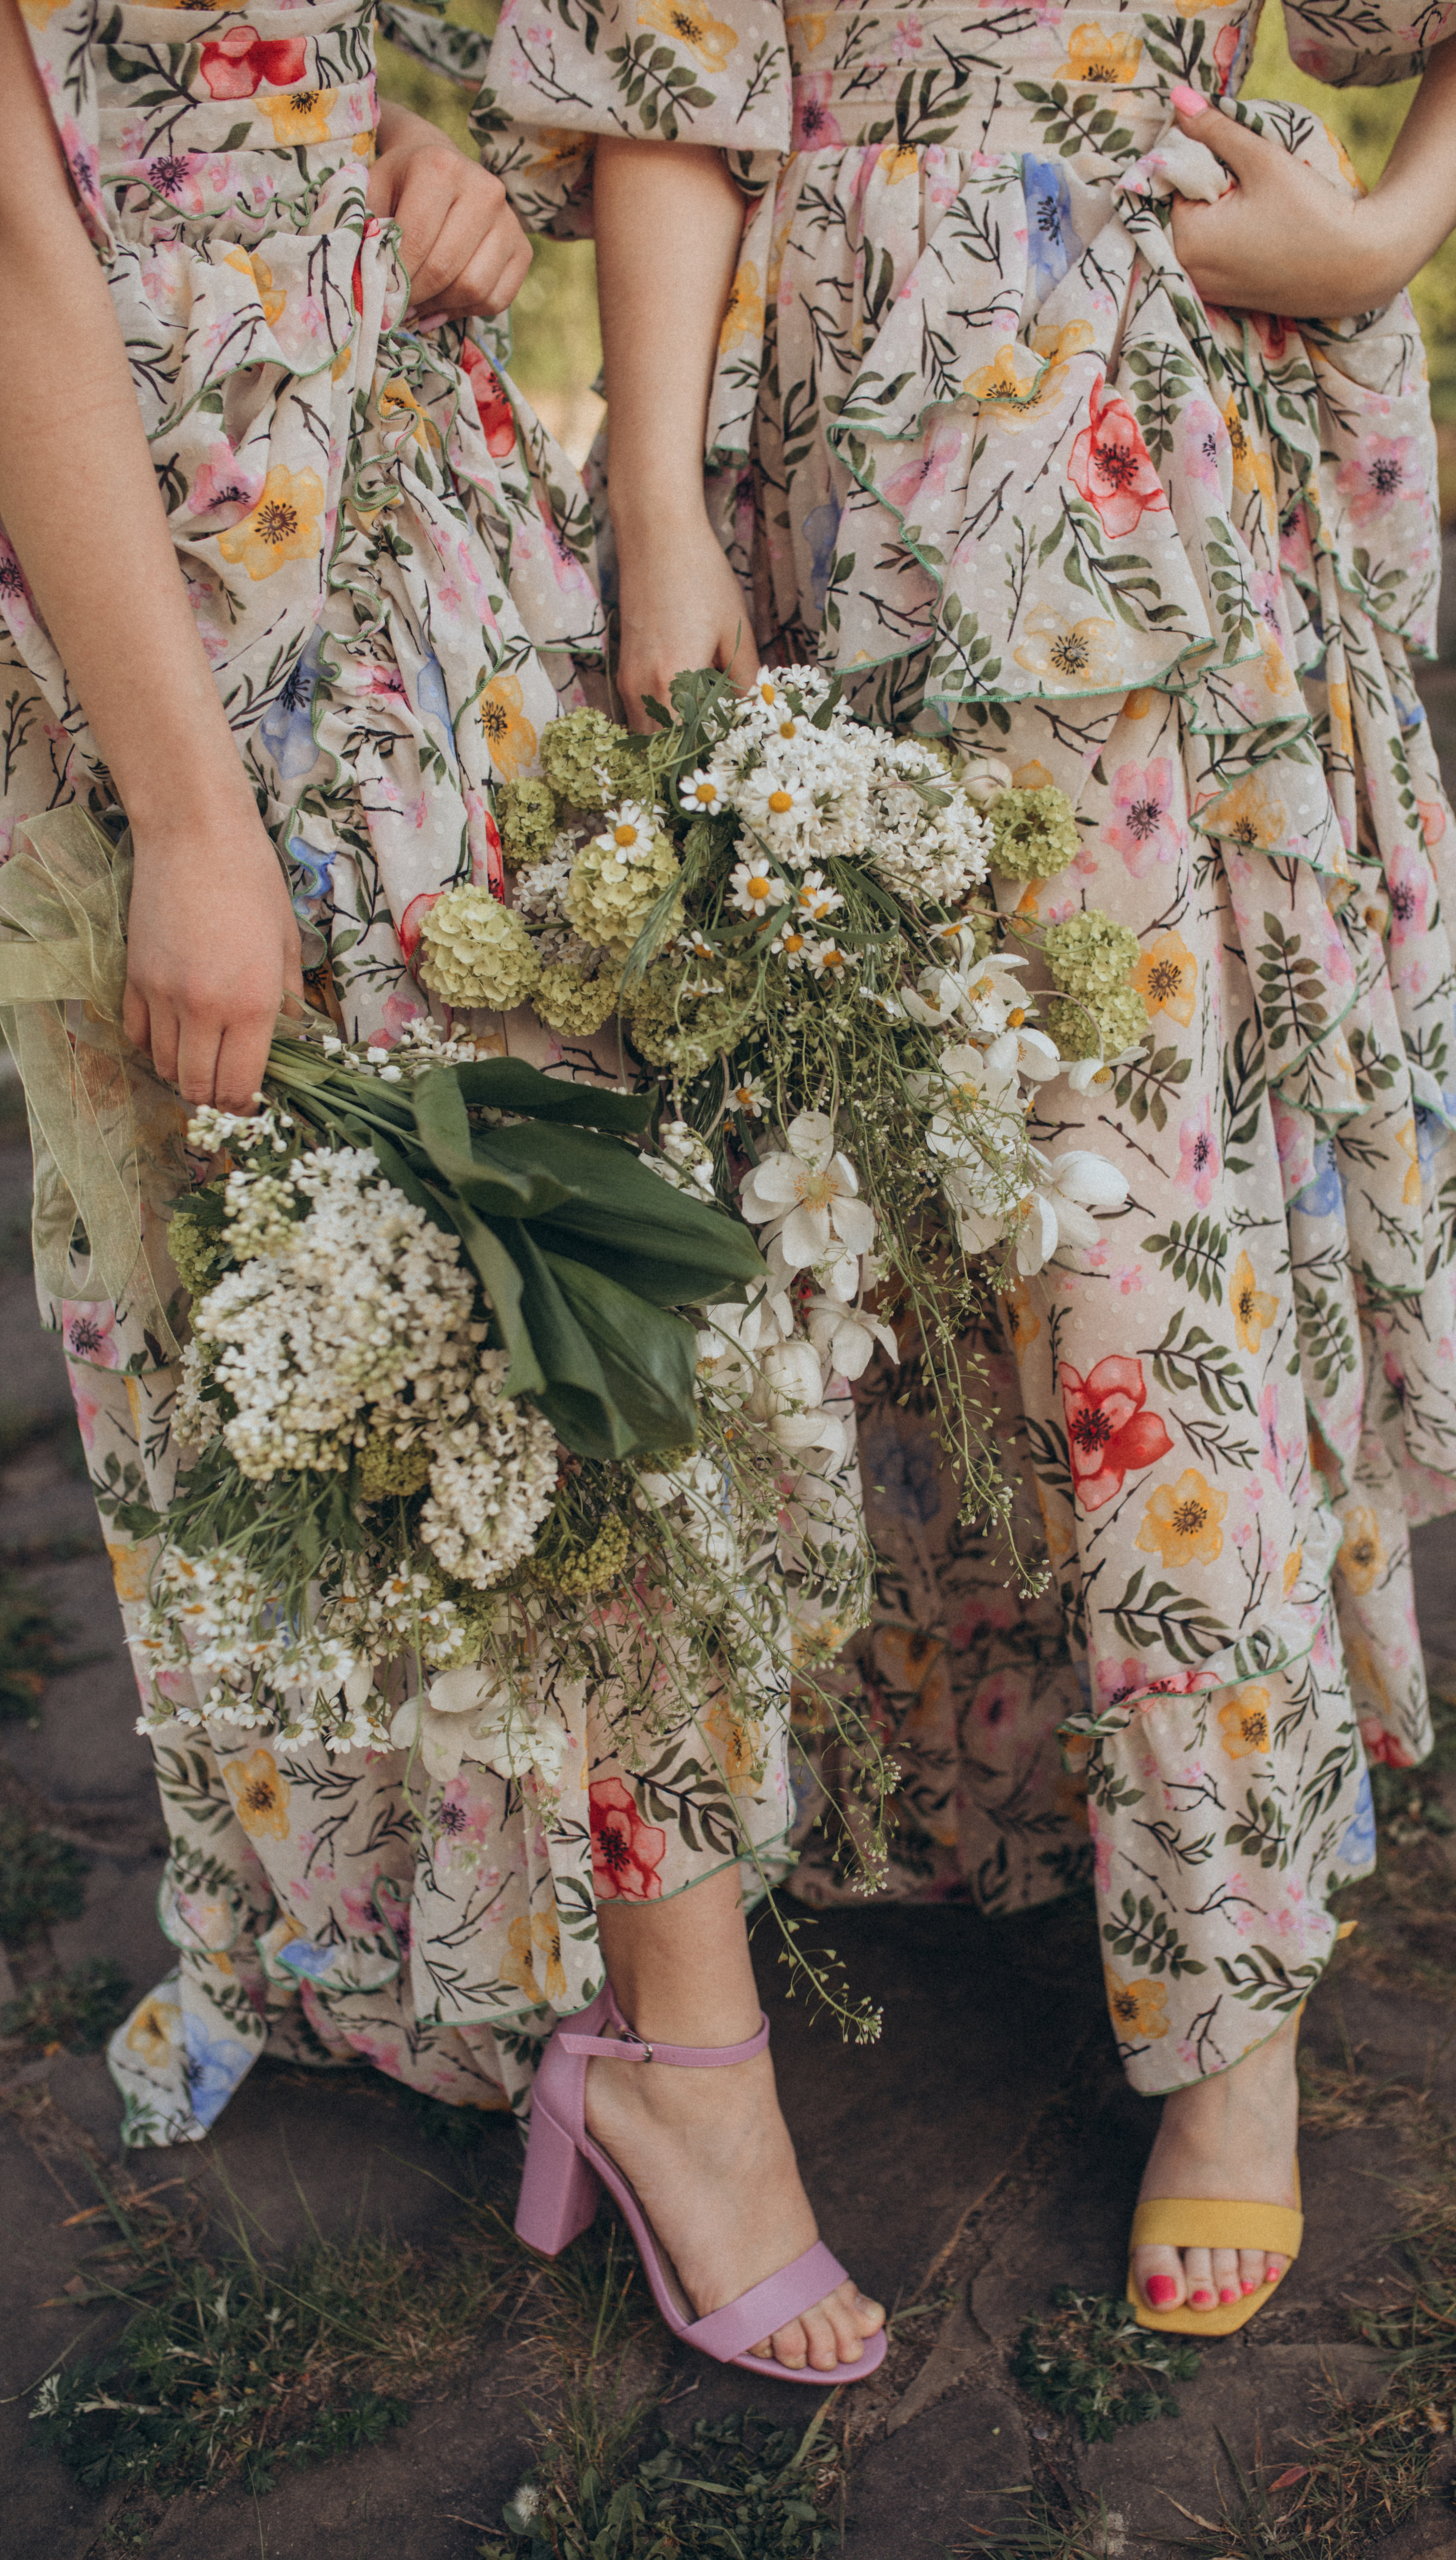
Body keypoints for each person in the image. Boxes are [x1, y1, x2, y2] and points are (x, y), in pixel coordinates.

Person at [467, 0, 1456, 2332]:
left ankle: (1240, 2027)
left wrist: (1391, 232)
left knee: (1140, 1234)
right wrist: (649, 500)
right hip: (801, 428)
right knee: (836, 1195)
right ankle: (988, 1798)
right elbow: (670, 55)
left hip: (1132, 417)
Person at [0, 0, 884, 2376]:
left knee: (552, 1246)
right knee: (410, 1290)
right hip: (172, 588)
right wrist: (190, 814)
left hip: (409, 484)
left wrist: (396, 139)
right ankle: (650, 2053)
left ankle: (634, 2023)